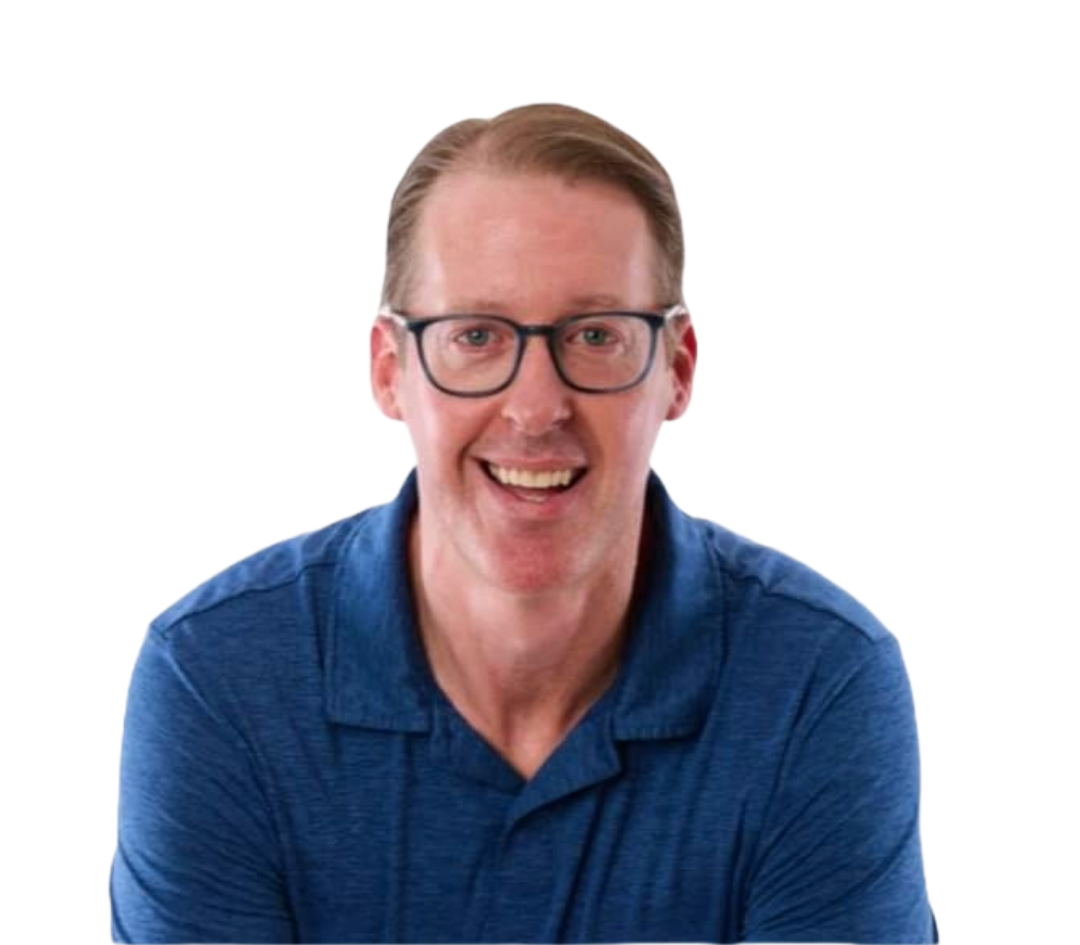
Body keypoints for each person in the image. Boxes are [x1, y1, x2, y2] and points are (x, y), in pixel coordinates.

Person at [111, 103, 938, 944]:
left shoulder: (817, 682)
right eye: (475, 335)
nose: (537, 406)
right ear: (390, 371)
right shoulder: (219, 681)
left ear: (677, 370)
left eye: (595, 336)